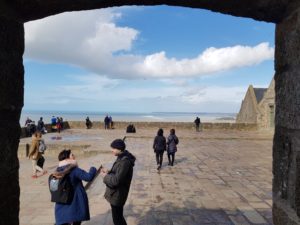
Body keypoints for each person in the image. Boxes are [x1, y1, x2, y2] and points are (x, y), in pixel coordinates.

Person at [54, 149, 97, 225]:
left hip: (62, 200)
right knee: (76, 220)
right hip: (75, 200)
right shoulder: (74, 169)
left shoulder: (57, 170)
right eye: (72, 155)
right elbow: (88, 177)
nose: (74, 156)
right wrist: (93, 169)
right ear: (67, 158)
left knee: (65, 220)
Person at [100, 139, 136, 225]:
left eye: (113, 148)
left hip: (118, 194)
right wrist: (109, 171)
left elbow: (116, 181)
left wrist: (105, 176)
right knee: (118, 217)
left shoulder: (124, 162)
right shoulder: (121, 158)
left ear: (119, 149)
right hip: (117, 193)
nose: (111, 150)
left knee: (117, 219)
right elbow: (118, 174)